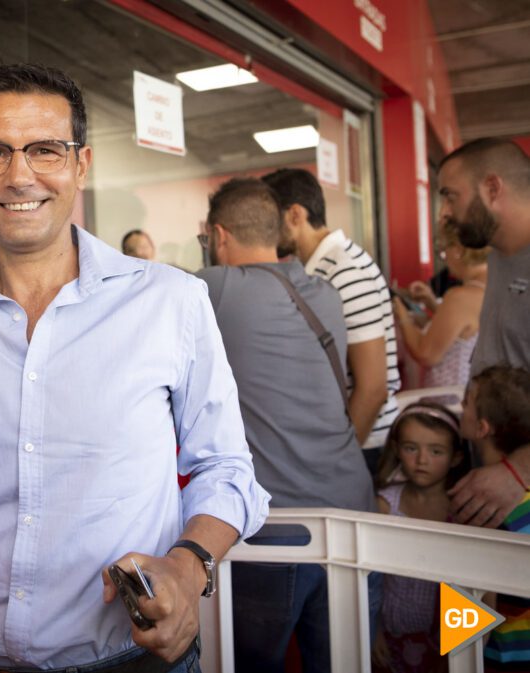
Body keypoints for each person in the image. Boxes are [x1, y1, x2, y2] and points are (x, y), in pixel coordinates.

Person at [0, 64, 270, 673]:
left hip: (131, 659)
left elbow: (225, 465)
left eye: (45, 150)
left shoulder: (170, 300)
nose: (19, 176)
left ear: (81, 164)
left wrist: (186, 565)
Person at [195, 178, 376, 673]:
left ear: (219, 236)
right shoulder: (325, 294)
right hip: (354, 516)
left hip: (279, 528)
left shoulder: (217, 288)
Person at [263, 168, 400, 473]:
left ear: (295, 215)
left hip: (365, 446)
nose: (266, 231)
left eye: (270, 220)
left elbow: (373, 387)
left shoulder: (343, 270)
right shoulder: (323, 267)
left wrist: (340, 463)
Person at [435, 138, 530, 529]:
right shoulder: (500, 256)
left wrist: (519, 472)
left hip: (517, 483)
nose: (444, 213)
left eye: (450, 197)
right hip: (497, 477)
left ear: (493, 189)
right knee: (476, 591)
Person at [372, 402, 470, 673]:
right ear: (396, 449)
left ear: (456, 457)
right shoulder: (385, 505)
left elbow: (478, 588)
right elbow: (369, 576)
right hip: (390, 635)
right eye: (411, 448)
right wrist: (373, 628)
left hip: (445, 643)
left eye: (436, 451)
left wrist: (460, 648)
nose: (422, 460)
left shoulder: (463, 510)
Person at [459, 365, 530, 672]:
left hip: (500, 660)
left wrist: (455, 659)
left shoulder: (480, 507)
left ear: (482, 428)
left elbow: (473, 607)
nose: (460, 410)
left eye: (465, 404)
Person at [394, 219, 488, 387]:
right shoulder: (490, 285)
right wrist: (432, 303)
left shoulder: (461, 297)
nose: (445, 259)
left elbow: (426, 353)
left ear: (458, 250)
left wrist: (401, 313)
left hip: (449, 399)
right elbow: (464, 329)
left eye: (445, 251)